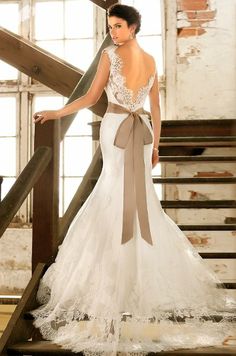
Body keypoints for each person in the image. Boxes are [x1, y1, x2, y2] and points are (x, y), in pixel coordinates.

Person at [30, 3, 235, 355]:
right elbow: (155, 109)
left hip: (119, 128)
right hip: (141, 132)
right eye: (111, 26)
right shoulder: (152, 60)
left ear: (134, 27)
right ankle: (124, 284)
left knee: (115, 197)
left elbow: (93, 97)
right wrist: (156, 143)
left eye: (119, 26)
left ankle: (115, 290)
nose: (113, 32)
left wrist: (56, 111)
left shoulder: (111, 56)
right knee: (131, 199)